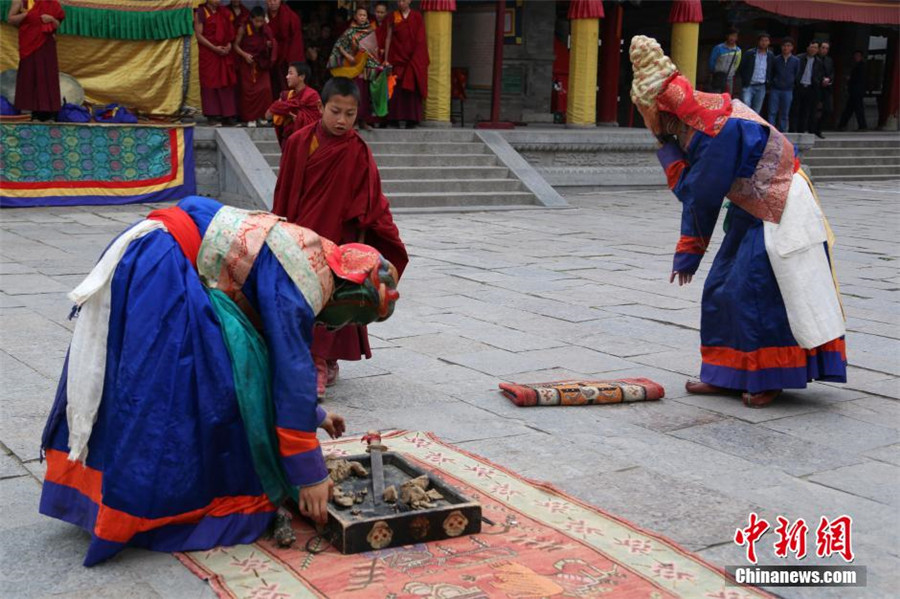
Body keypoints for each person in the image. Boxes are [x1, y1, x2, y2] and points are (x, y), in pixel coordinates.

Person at [39, 194, 400, 566]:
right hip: (164, 267)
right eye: (354, 318)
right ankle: (150, 505)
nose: (339, 326)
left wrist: (315, 417)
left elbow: (280, 358)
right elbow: (290, 371)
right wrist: (309, 475)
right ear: (353, 293)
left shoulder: (311, 252)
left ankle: (104, 490)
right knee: (190, 394)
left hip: (149, 251)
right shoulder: (306, 280)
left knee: (134, 384)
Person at [629, 35, 846, 408]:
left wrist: (687, 254)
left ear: (660, 107)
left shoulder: (715, 128)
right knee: (721, 288)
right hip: (753, 207)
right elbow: (698, 186)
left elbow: (699, 196)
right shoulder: (703, 116)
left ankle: (768, 377)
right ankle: (725, 374)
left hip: (780, 206)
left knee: (755, 290)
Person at [273, 77, 409, 399]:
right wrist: (279, 233)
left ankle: (320, 363)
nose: (342, 120)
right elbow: (285, 191)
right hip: (303, 238)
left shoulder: (358, 150)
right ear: (321, 107)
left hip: (339, 241)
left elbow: (372, 199)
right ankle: (312, 360)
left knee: (334, 302)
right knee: (302, 301)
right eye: (335, 111)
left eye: (350, 114)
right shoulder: (298, 143)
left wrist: (370, 231)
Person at [7, 0, 65, 121]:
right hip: (29, 42)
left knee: (47, 75)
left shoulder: (52, 2)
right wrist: (28, 14)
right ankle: (28, 110)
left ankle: (48, 110)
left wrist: (52, 20)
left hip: (47, 43)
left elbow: (57, 25)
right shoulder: (21, 1)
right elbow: (11, 19)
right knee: (29, 73)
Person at [327, 6, 379, 130]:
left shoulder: (370, 31)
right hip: (352, 70)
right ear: (355, 17)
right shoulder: (349, 31)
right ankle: (353, 121)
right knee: (353, 95)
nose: (362, 17)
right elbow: (339, 46)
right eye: (360, 15)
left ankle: (363, 121)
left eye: (364, 15)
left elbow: (373, 50)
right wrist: (348, 56)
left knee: (365, 96)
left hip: (364, 69)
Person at [380, 0, 429, 128]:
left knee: (412, 91)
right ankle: (394, 119)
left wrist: (416, 58)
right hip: (397, 59)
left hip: (413, 59)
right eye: (398, 1)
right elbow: (388, 37)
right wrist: (386, 59)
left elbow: (421, 39)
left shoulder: (417, 16)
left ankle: (411, 120)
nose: (400, 3)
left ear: (409, 1)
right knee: (395, 89)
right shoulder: (393, 16)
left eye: (403, 0)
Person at [195, 0, 238, 126]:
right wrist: (214, 48)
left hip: (223, 53)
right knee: (210, 83)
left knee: (226, 82)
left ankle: (227, 115)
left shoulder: (224, 12)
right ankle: (212, 116)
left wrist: (229, 45)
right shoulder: (201, 12)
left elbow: (230, 33)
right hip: (209, 53)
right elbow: (199, 35)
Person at [234, 6, 276, 126]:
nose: (259, 24)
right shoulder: (244, 28)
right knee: (248, 91)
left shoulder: (265, 29)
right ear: (251, 19)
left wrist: (269, 45)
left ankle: (262, 116)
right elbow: (235, 46)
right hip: (247, 63)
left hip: (261, 63)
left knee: (266, 89)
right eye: (257, 21)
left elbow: (271, 42)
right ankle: (250, 118)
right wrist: (245, 55)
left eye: (261, 21)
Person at [266, 62, 322, 147]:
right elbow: (268, 115)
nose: (287, 77)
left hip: (305, 141)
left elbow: (317, 120)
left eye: (290, 73)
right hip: (288, 139)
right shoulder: (287, 95)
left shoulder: (312, 95)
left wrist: (299, 119)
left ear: (302, 77)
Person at [267, 0, 304, 98]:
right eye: (269, 0)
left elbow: (296, 40)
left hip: (287, 54)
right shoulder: (263, 16)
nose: (272, 2)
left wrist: (292, 60)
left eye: (275, 0)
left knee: (289, 83)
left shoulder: (291, 17)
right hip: (271, 55)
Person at [768, 37, 799, 132]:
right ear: (781, 47)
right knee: (772, 111)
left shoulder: (796, 60)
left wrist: (792, 83)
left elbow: (796, 74)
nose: (786, 48)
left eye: (788, 46)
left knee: (785, 112)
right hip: (775, 89)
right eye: (784, 46)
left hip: (788, 90)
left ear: (792, 48)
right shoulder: (776, 59)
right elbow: (771, 73)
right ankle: (771, 130)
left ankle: (783, 130)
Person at [738, 33, 774, 115]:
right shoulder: (750, 53)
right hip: (749, 85)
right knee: (745, 108)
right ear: (758, 42)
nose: (764, 43)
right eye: (762, 40)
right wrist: (745, 80)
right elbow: (742, 68)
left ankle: (753, 127)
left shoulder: (770, 55)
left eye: (766, 41)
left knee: (756, 111)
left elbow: (771, 70)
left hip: (761, 86)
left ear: (769, 42)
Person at [794, 40, 824, 134]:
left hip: (811, 88)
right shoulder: (799, 58)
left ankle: (803, 130)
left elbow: (819, 74)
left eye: (815, 48)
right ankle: (793, 128)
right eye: (812, 47)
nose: (813, 49)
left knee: (807, 110)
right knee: (795, 108)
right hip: (799, 86)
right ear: (807, 48)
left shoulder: (818, 62)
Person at [838, 50, 868, 131]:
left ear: (861, 57)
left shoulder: (861, 67)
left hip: (857, 91)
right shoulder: (856, 66)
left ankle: (862, 125)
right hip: (854, 91)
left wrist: (850, 79)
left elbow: (859, 79)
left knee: (857, 109)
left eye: (858, 56)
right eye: (855, 55)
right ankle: (842, 124)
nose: (856, 57)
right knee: (850, 109)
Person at [708, 27, 741, 94]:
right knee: (716, 98)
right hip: (717, 77)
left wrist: (732, 72)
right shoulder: (718, 48)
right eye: (730, 36)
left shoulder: (738, 50)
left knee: (727, 97)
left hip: (729, 78)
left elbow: (737, 64)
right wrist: (714, 72)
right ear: (727, 36)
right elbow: (711, 62)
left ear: (737, 38)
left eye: (734, 36)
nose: (732, 38)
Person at [815, 41, 834, 138]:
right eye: (823, 48)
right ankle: (811, 128)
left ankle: (819, 128)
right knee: (813, 109)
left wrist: (829, 79)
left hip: (827, 88)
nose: (824, 50)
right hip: (816, 87)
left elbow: (831, 72)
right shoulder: (815, 59)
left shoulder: (829, 60)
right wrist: (821, 79)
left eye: (827, 48)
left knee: (828, 109)